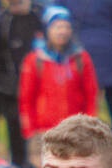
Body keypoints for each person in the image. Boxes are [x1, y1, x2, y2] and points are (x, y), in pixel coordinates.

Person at [17, 6, 97, 149]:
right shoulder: (34, 60)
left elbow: (91, 95)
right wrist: (30, 132)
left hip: (76, 131)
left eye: (66, 27)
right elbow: (26, 98)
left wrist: (89, 126)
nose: (62, 32)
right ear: (47, 30)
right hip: (44, 132)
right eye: (57, 27)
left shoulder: (81, 58)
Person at [0, 0, 44, 168]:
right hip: (14, 96)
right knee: (19, 149)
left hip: (44, 94)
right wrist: (13, 89)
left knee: (45, 147)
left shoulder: (42, 18)